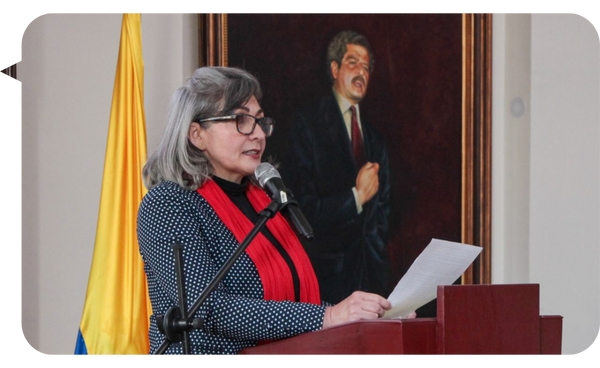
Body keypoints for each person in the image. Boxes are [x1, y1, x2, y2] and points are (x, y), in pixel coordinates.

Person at [137, 67, 393, 358]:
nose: (258, 134)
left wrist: (365, 317)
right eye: (241, 120)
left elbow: (295, 294)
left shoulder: (265, 200)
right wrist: (329, 316)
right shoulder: (169, 204)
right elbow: (207, 309)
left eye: (260, 121)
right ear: (197, 134)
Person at [282, 31, 391, 304]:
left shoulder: (375, 138)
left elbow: (384, 211)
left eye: (366, 67)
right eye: (353, 62)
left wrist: (375, 250)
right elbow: (302, 210)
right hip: (326, 280)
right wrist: (356, 197)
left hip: (371, 277)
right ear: (334, 68)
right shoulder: (307, 124)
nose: (361, 72)